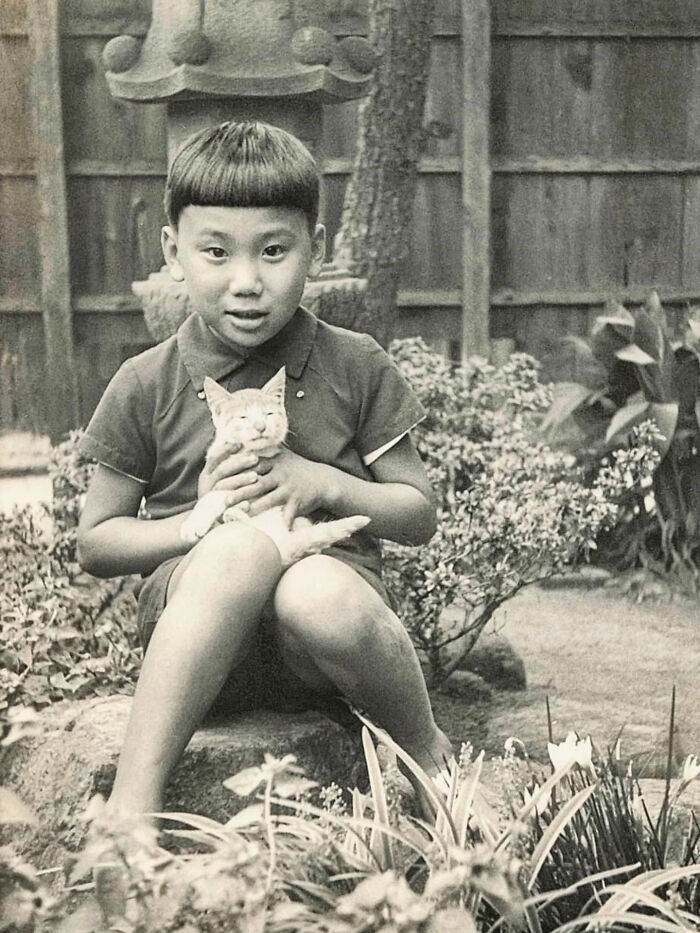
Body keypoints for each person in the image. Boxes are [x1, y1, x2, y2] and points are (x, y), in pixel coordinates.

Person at [77, 119, 452, 816]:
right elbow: (97, 542)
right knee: (239, 552)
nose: (246, 282)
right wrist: (192, 525)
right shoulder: (147, 379)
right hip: (204, 643)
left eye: (274, 250)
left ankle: (429, 758)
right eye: (216, 252)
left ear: (317, 243)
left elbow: (420, 512)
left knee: (311, 587)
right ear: (173, 250)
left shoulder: (354, 362)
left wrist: (328, 483)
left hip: (326, 650)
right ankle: (130, 809)